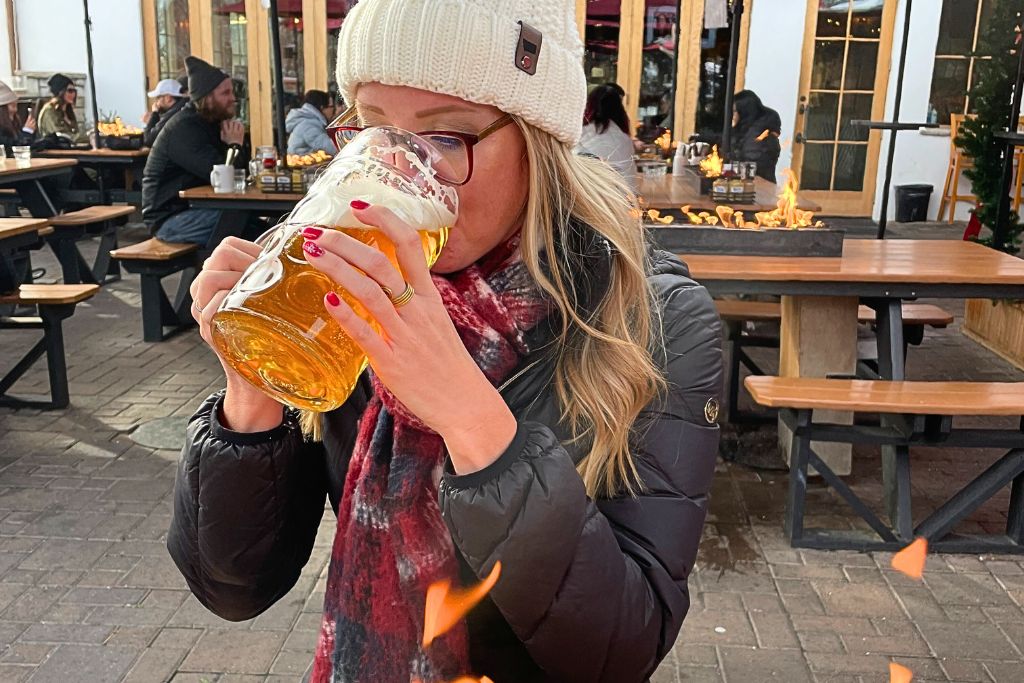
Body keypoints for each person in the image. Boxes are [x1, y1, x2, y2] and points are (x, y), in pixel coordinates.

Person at [169, 0, 722, 680]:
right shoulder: (343, 287)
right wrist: (250, 395)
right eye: (374, 132)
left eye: (447, 138)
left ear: (539, 141)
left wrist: (470, 417)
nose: (400, 175)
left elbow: (620, 650)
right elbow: (234, 588)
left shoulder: (654, 319)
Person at [142, 56, 249, 245]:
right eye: (225, 93)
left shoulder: (213, 122)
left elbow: (242, 173)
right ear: (207, 98)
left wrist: (236, 145)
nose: (233, 98)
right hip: (170, 220)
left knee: (259, 226)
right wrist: (234, 146)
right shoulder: (185, 128)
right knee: (246, 227)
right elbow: (222, 177)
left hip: (200, 209)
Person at [577, 83, 637, 191]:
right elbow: (631, 182)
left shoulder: (577, 135)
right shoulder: (623, 140)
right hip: (620, 201)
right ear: (620, 109)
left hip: (583, 197)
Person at [732, 89, 782, 183]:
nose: (733, 115)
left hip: (757, 185)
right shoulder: (748, 126)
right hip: (761, 182)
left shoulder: (756, 134)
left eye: (735, 111)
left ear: (744, 111)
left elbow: (751, 162)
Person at [36, 74, 87, 144]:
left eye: (74, 91)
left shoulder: (68, 111)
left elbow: (75, 132)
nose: (73, 94)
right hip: (53, 151)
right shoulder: (49, 111)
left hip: (69, 149)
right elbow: (61, 136)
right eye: (70, 91)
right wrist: (88, 137)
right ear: (60, 92)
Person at [286, 89, 336, 156]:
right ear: (322, 107)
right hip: (302, 164)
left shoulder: (308, 120)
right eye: (331, 107)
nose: (334, 110)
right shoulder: (308, 125)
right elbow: (330, 148)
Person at [142, 78, 188, 147]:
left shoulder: (173, 114)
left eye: (158, 97)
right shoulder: (182, 107)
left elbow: (148, 140)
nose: (156, 102)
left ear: (168, 98)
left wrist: (154, 115)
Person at [0, 81, 35, 156]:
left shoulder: (14, 123)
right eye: (12, 105)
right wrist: (27, 132)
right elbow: (10, 148)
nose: (15, 110)